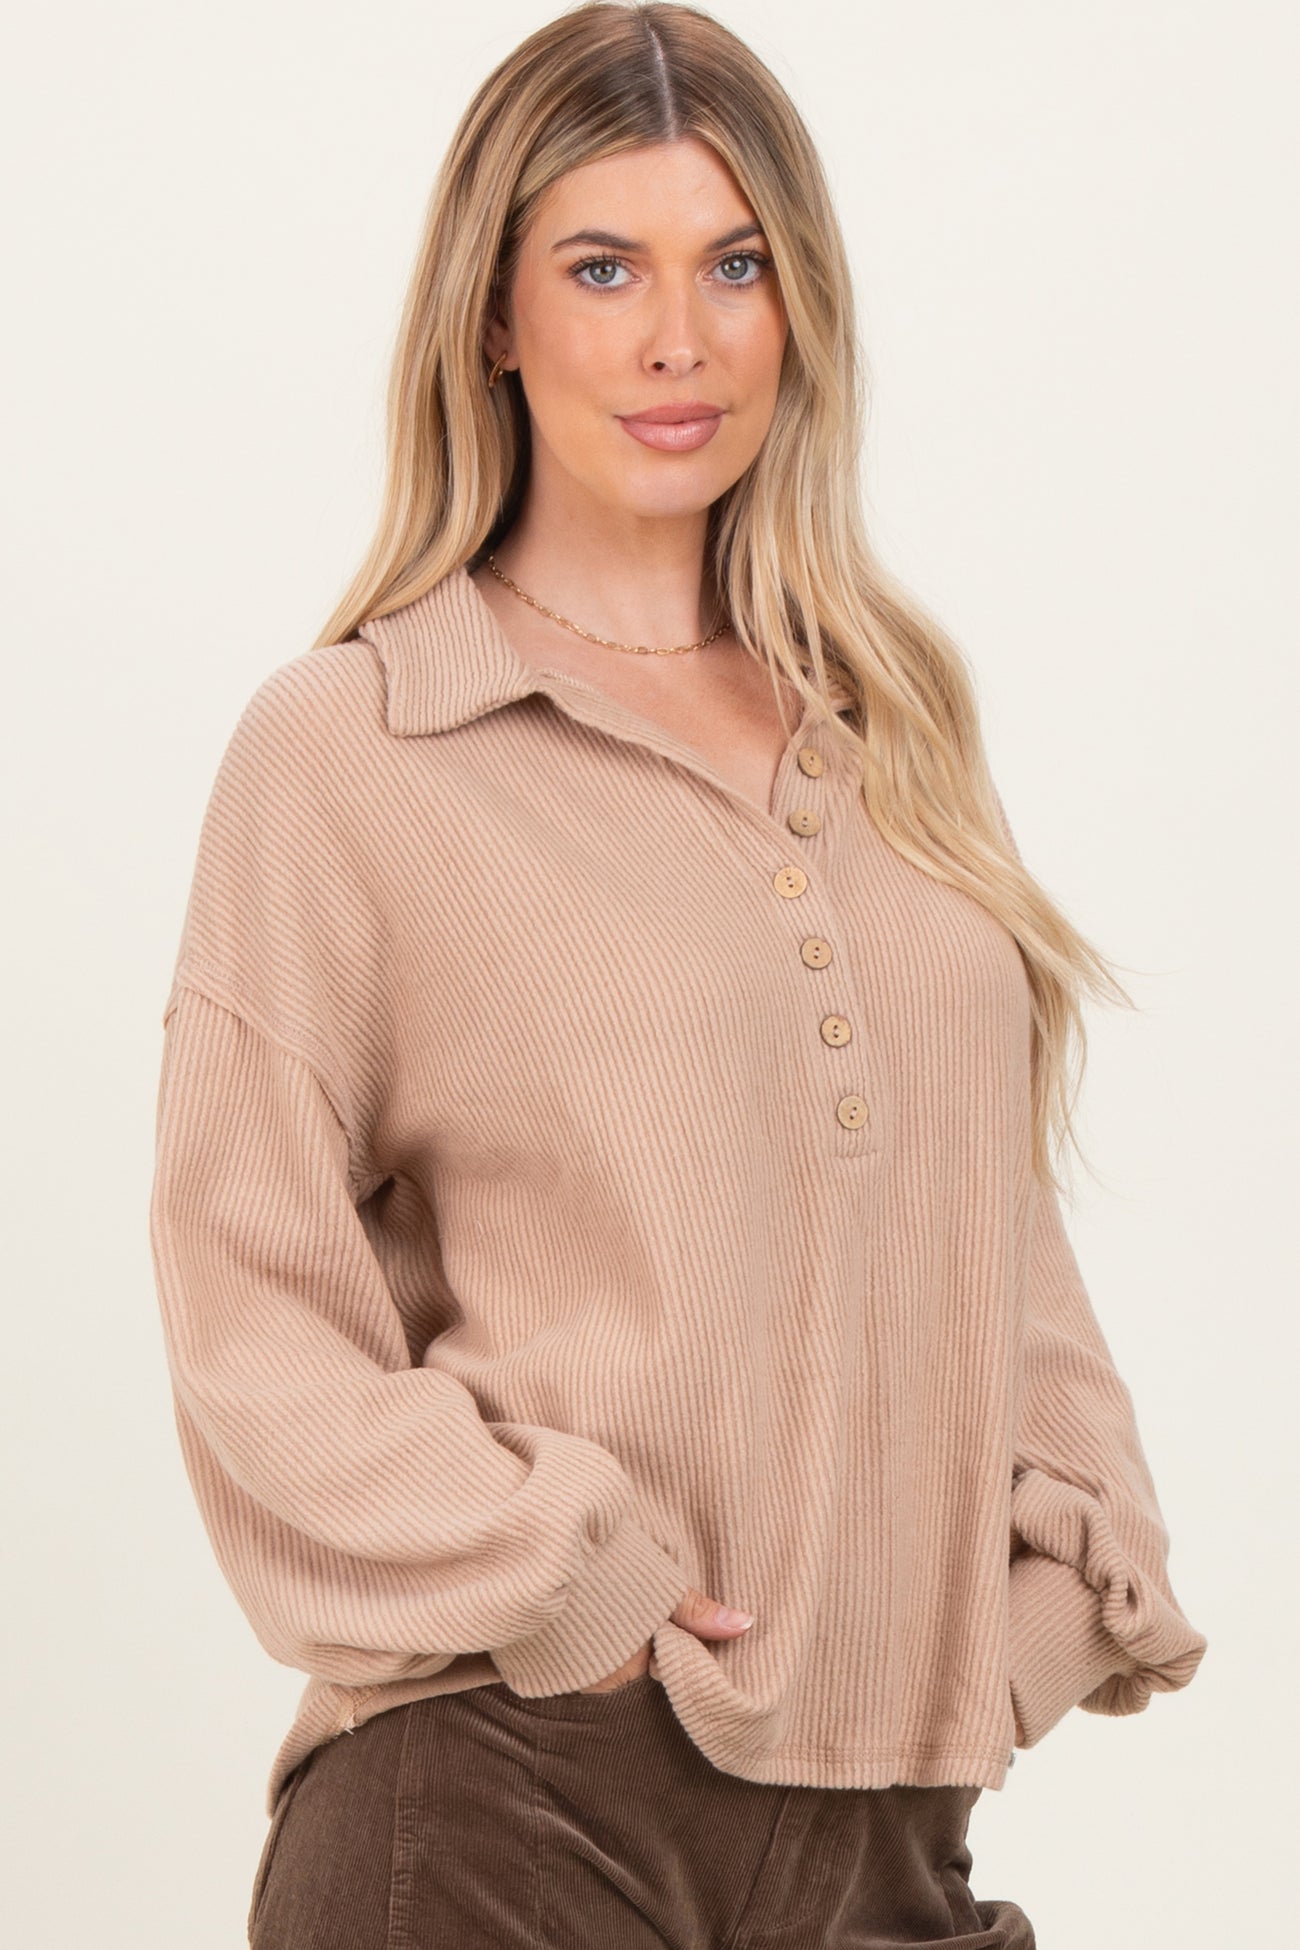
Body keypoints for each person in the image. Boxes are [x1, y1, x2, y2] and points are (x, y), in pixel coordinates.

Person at [148, 4, 1208, 1945]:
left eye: (733, 266)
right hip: (507, 1804)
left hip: (892, 1838)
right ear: (493, 314)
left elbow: (997, 1226)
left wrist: (1061, 1592)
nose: (677, 339)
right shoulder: (356, 744)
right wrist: (573, 1582)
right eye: (601, 267)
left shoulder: (891, 734)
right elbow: (253, 1310)